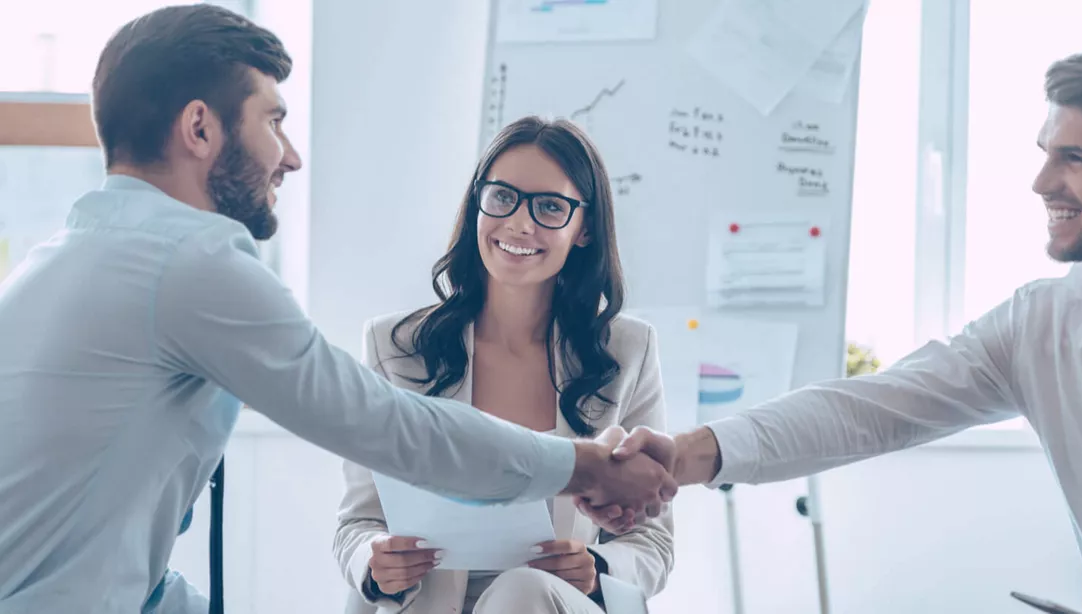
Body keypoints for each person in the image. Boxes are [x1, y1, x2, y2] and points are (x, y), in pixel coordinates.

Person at [594, 41, 1082, 610]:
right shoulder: (1041, 321)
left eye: (1074, 158)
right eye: (1045, 154)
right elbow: (873, 409)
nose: (1040, 184)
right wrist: (687, 455)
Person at [0, 7, 671, 613]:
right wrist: (580, 465)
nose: (289, 157)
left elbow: (105, 549)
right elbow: (384, 425)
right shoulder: (192, 263)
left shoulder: (60, 259)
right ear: (200, 128)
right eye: (273, 120)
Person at [335, 117, 673, 614]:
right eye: (501, 197)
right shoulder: (395, 345)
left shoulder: (628, 351)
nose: (518, 223)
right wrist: (375, 564)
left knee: (523, 590)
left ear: (584, 230)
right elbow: (357, 522)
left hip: (553, 604)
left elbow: (654, 544)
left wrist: (597, 568)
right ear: (478, 203)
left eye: (550, 207)